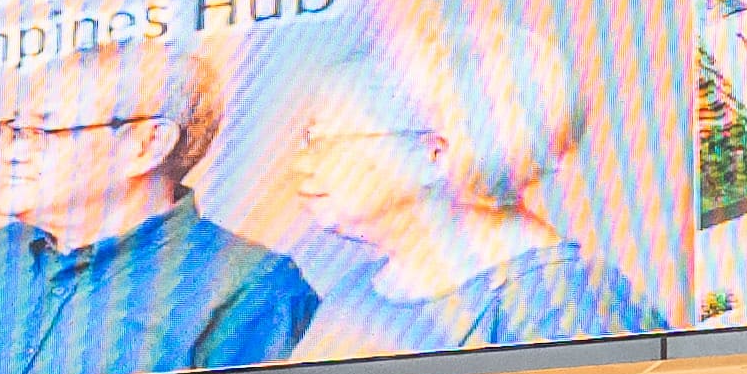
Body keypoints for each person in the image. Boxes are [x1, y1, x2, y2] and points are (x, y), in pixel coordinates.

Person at [0, 43, 317, 374]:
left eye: (43, 131)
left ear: (146, 145)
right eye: (14, 130)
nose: (14, 151)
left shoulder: (251, 285)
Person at [276, 23, 664, 355]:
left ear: (433, 152)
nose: (300, 163)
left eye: (324, 140)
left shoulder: (562, 305)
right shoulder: (355, 293)